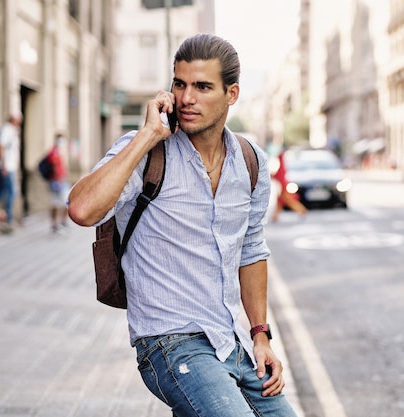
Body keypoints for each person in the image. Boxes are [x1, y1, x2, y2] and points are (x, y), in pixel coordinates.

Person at [68, 33, 297, 417]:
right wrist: (145, 136)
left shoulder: (250, 160)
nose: (187, 98)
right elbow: (81, 209)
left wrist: (261, 336)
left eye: (203, 87)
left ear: (232, 93)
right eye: (180, 84)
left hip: (229, 342)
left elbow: (252, 250)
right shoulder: (145, 151)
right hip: (168, 343)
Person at [0, 111, 23, 228]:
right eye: (19, 119)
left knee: (3, 191)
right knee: (10, 191)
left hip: (8, 167)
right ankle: (6, 218)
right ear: (14, 119)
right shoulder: (7, 130)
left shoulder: (12, 130)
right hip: (5, 167)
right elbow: (0, 147)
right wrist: (3, 166)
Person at [271, 149, 307, 222]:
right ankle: (275, 215)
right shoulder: (282, 164)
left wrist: (271, 175)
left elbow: (279, 175)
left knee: (289, 200)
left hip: (283, 186)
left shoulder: (281, 165)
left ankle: (301, 210)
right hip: (282, 186)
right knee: (280, 201)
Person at [46, 133, 70, 233]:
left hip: (59, 179)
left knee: (57, 202)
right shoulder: (55, 152)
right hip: (58, 180)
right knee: (65, 201)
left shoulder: (58, 151)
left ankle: (57, 223)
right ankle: (58, 222)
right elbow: (55, 166)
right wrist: (59, 179)